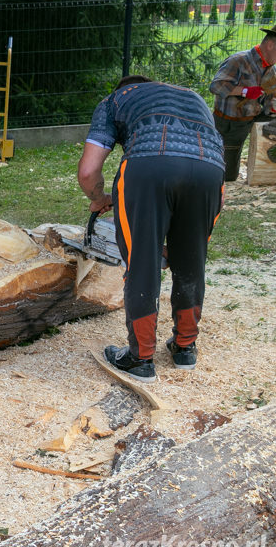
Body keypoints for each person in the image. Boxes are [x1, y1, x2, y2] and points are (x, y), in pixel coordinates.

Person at [77, 75, 224, 383]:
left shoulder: (114, 101)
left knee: (142, 262)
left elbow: (88, 171)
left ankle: (140, 358)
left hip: (148, 164)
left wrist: (100, 198)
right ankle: (185, 348)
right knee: (191, 260)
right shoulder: (192, 97)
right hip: (210, 172)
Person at [210, 27, 276, 181]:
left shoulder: (271, 69)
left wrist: (271, 107)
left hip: (254, 115)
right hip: (230, 123)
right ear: (271, 45)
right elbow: (215, 86)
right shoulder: (238, 61)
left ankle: (267, 167)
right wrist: (244, 91)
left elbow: (268, 96)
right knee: (228, 176)